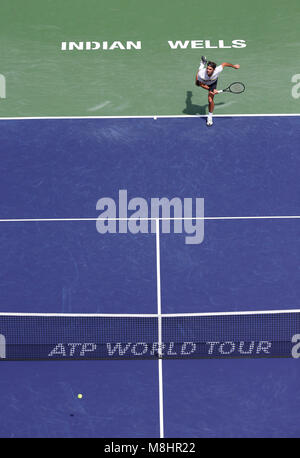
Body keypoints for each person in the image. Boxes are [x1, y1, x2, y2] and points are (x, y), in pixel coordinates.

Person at [195, 56, 240, 126]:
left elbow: (224, 64)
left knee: (210, 100)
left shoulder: (218, 70)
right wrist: (210, 89)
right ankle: (202, 65)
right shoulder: (201, 74)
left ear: (214, 70)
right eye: (207, 68)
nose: (207, 70)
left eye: (210, 69)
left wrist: (234, 66)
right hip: (203, 81)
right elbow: (198, 84)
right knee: (198, 74)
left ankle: (210, 117)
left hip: (213, 82)